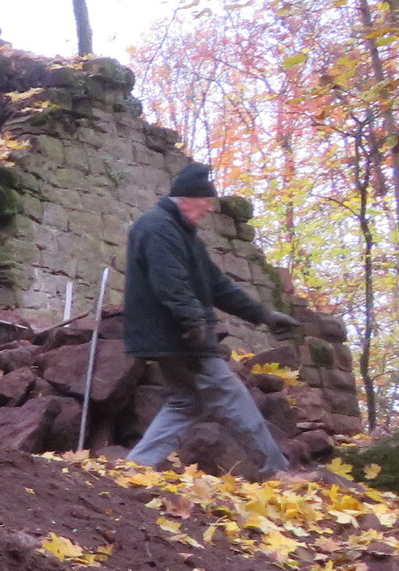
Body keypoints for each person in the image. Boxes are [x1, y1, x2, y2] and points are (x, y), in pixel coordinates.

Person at [121, 162, 301, 478]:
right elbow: (170, 283)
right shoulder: (158, 228)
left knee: (186, 402)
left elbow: (218, 286)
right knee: (233, 397)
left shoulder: (183, 234)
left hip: (174, 336)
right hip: (179, 336)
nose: (209, 209)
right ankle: (276, 471)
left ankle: (134, 467)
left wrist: (263, 316)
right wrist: (194, 323)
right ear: (187, 198)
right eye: (206, 202)